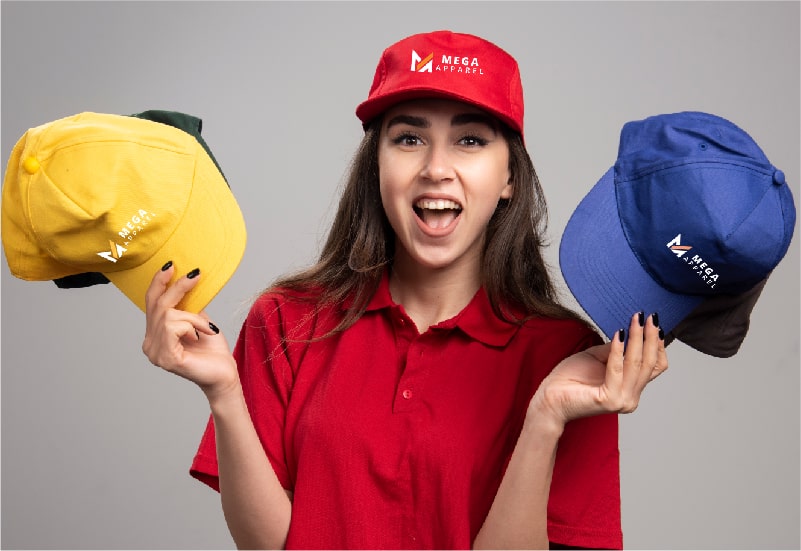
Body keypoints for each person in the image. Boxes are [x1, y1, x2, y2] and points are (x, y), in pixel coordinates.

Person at [142, 30, 667, 550]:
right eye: (409, 139)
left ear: (510, 177)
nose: (436, 169)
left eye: (471, 140)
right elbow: (271, 545)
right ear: (376, 166)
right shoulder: (285, 320)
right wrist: (225, 393)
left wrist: (546, 417)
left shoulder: (566, 358)